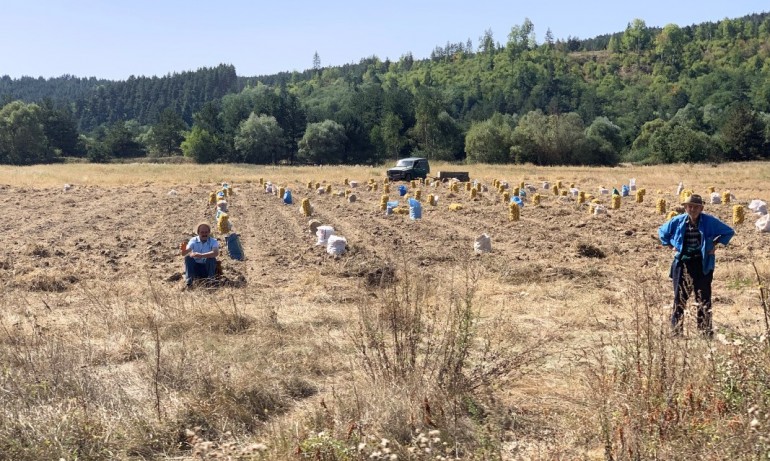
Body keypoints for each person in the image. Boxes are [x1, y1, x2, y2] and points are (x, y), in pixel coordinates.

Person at [658, 194, 734, 337]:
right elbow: (662, 232)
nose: (692, 209)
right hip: (682, 263)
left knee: (703, 297)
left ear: (701, 208)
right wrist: (671, 245)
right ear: (685, 207)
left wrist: (715, 244)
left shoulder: (709, 221)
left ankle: (705, 331)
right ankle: (676, 332)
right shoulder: (678, 221)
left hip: (702, 263)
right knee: (679, 297)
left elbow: (729, 232)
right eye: (689, 206)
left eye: (695, 207)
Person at [181, 222, 220, 288]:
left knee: (211, 259)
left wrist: (201, 255)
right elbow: (185, 252)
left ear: (209, 232)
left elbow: (216, 253)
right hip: (195, 268)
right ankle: (189, 283)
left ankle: (211, 282)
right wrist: (184, 250)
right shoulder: (193, 240)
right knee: (188, 258)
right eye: (202, 232)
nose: (204, 234)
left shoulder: (213, 241)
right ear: (198, 233)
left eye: (206, 232)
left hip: (207, 269)